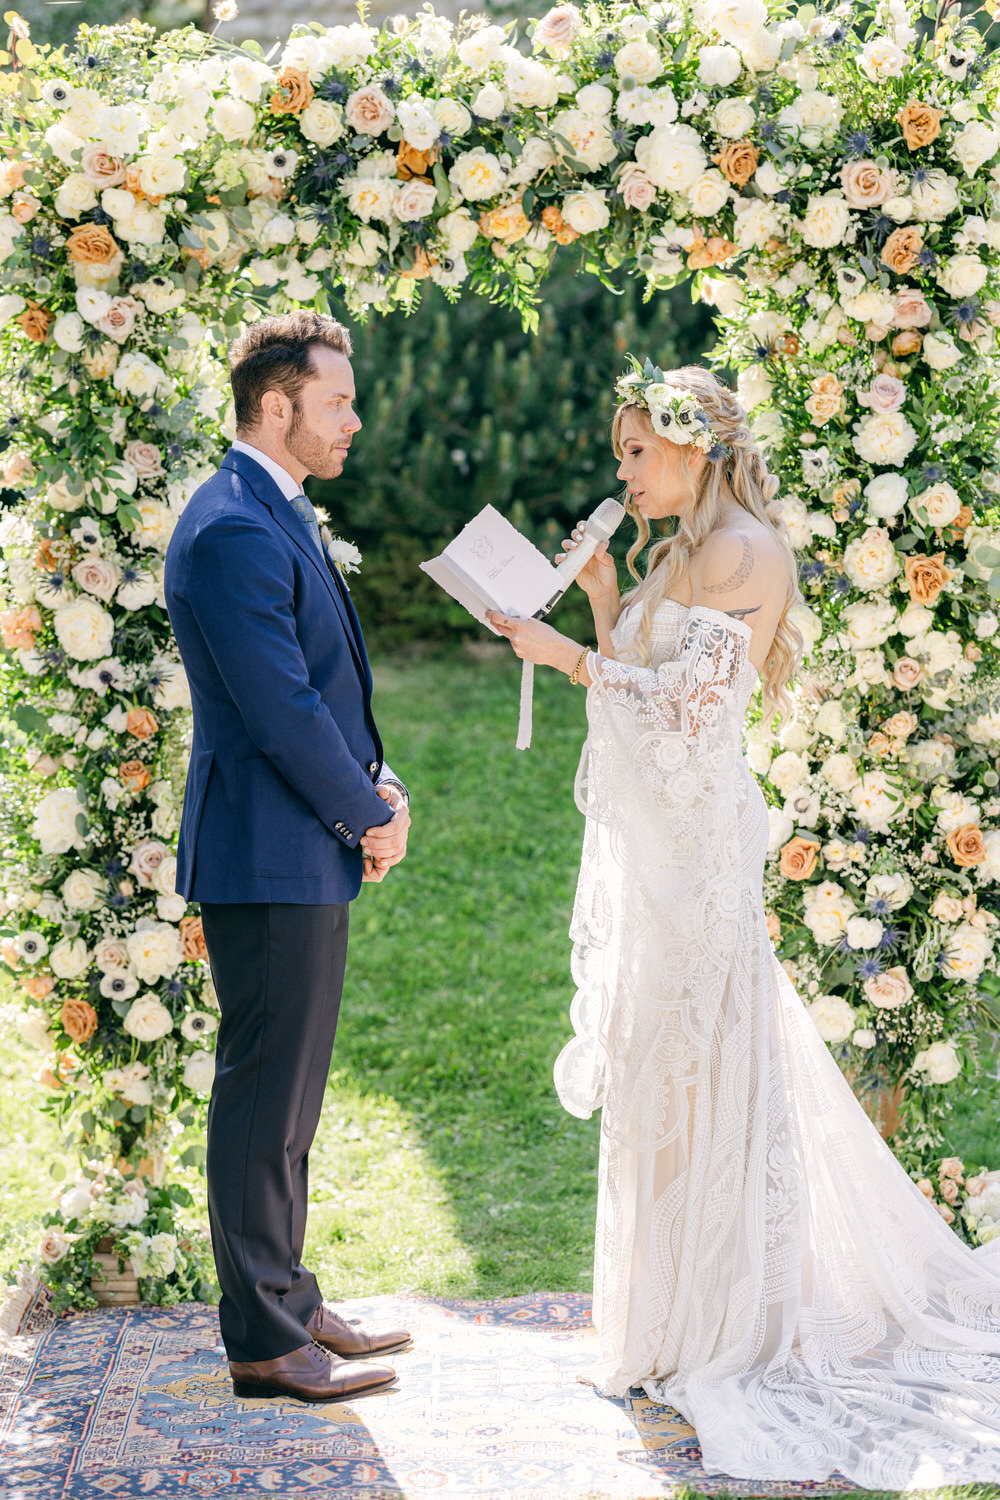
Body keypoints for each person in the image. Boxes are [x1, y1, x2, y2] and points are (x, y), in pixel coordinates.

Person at [487, 361, 1000, 1488]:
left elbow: (687, 716)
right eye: (620, 454)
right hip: (657, 853)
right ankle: (661, 1323)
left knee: (700, 1061)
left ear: (693, 448)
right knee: (655, 1070)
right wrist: (599, 603)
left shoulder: (743, 553)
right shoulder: (675, 555)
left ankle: (721, 1320)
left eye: (635, 453)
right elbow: (636, 674)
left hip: (702, 856)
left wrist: (566, 657)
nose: (621, 472)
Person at [164, 311, 412, 1403]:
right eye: (338, 402)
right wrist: (367, 812)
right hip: (266, 850)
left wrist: (381, 781)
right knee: (264, 1094)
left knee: (293, 1095)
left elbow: (328, 679)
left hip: (297, 843)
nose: (353, 420)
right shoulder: (228, 527)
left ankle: (291, 1294)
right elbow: (279, 708)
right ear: (278, 407)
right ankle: (263, 1338)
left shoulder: (271, 509)